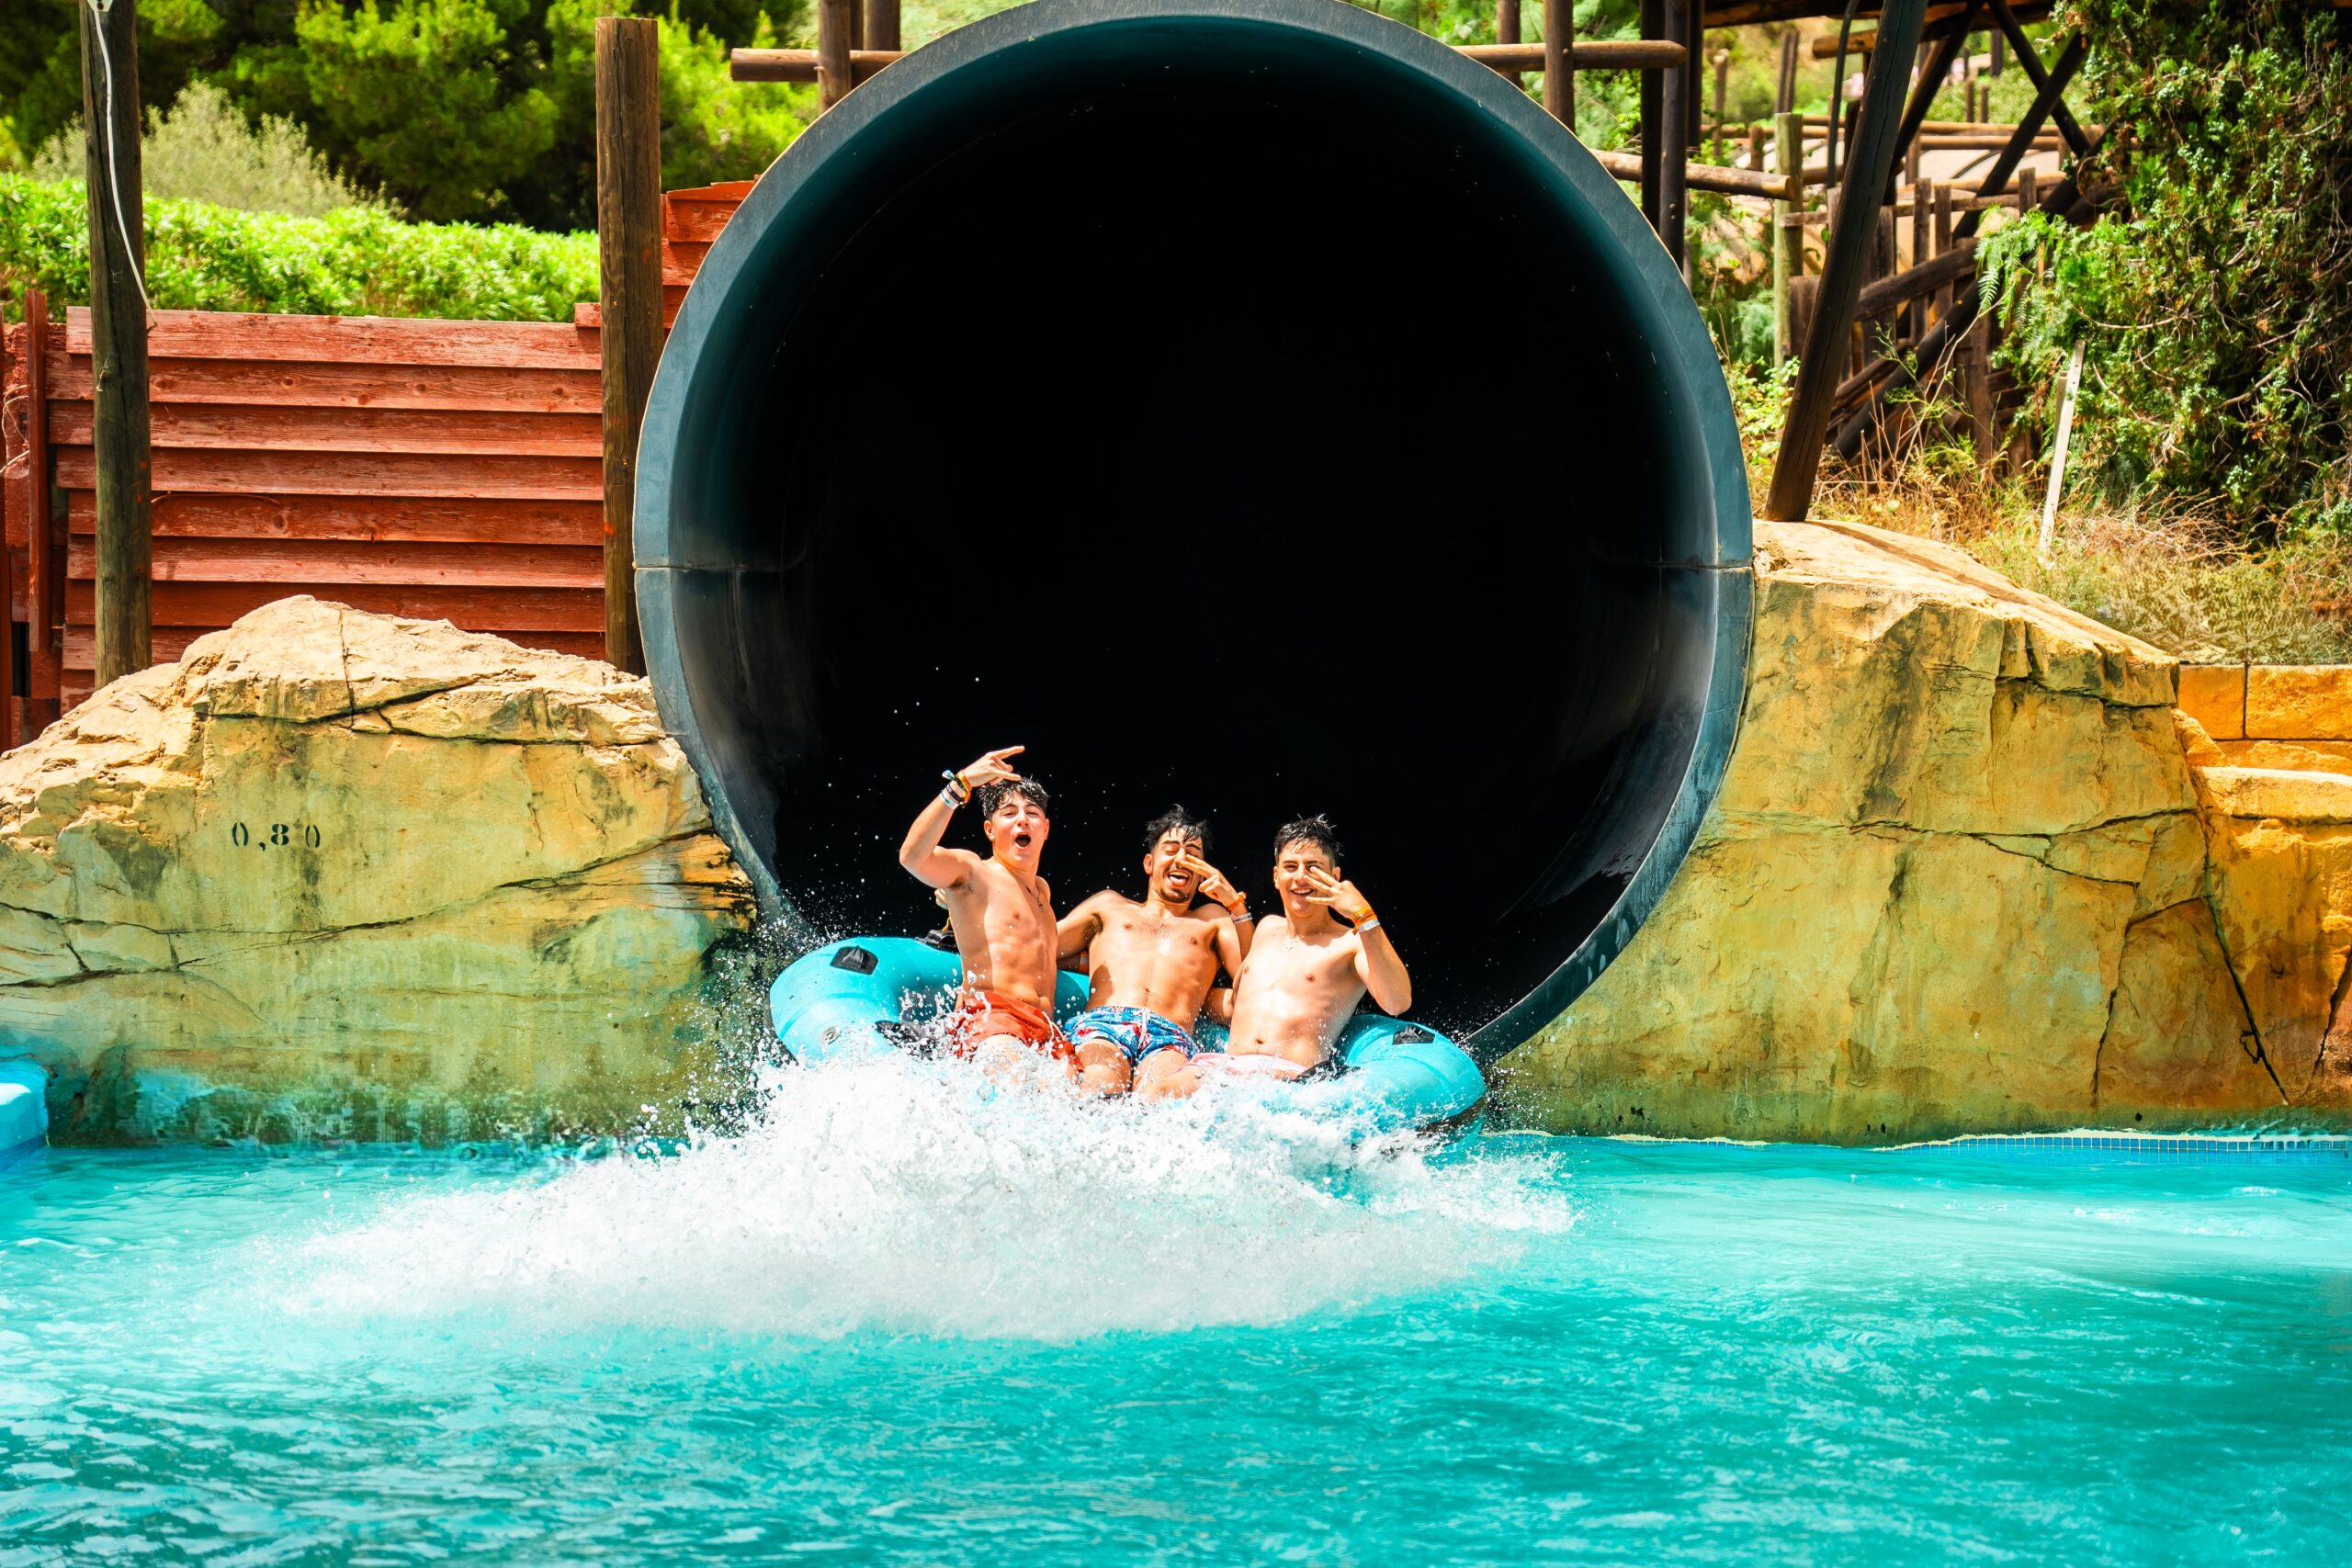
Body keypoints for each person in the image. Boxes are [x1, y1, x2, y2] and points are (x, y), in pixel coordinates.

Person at [896, 746, 1073, 1077]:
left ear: (1045, 830)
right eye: (1009, 813)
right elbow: (912, 857)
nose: (1022, 818)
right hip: (994, 1020)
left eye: (1032, 813)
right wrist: (959, 786)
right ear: (990, 831)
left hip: (1046, 1031)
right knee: (1017, 1081)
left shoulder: (1043, 892)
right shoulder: (973, 872)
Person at [1055, 807, 1253, 1099]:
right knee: (1100, 1083)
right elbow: (1038, 947)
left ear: (1203, 875)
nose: (1182, 859)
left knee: (1156, 1098)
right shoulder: (1110, 906)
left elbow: (1252, 982)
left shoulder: (1212, 919)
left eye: (1193, 854)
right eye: (1171, 849)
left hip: (1169, 1037)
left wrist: (1235, 903)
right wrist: (1090, 961)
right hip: (1106, 1023)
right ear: (1149, 863)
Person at [1208, 816, 1411, 1079]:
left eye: (1313, 868)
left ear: (1334, 877)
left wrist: (1365, 917)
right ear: (1276, 875)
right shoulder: (1267, 928)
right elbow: (1243, 999)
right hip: (1225, 1069)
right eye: (1291, 866)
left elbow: (1398, 1002)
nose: (1301, 878)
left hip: (1288, 1081)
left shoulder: (1351, 942)